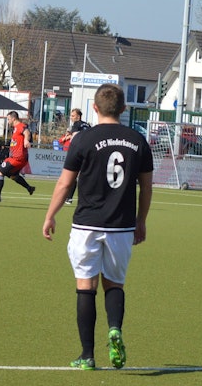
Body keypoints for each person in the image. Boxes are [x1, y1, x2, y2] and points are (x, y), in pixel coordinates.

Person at [43, 83, 153, 371]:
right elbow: (147, 187)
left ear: (94, 107)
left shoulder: (83, 139)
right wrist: (141, 221)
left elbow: (65, 183)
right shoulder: (138, 141)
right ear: (124, 109)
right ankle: (114, 328)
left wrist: (50, 215)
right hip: (121, 225)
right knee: (114, 284)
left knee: (85, 286)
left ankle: (87, 355)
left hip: (86, 225)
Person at [0, 111, 36, 202]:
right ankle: (29, 188)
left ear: (13, 119)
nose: (8, 121)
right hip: (20, 157)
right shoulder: (15, 129)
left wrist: (26, 140)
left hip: (18, 157)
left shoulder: (20, 126)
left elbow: (27, 132)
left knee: (0, 172)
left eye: (9, 119)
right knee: (13, 175)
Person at [63, 109, 90, 205]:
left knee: (73, 175)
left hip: (79, 151)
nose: (71, 117)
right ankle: (86, 199)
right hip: (89, 152)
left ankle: (69, 198)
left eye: (73, 116)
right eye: (71, 115)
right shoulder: (87, 125)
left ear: (78, 117)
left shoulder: (76, 124)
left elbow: (75, 137)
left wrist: (71, 143)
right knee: (84, 176)